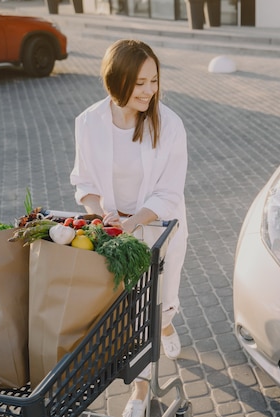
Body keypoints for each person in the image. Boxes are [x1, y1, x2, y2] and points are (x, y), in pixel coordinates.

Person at [70, 39, 188, 417]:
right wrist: (100, 214)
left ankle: (162, 337)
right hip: (114, 231)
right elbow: (84, 181)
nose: (150, 91)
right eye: (140, 83)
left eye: (153, 80)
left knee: (157, 306)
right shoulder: (88, 122)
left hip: (157, 226)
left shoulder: (169, 125)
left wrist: (134, 221)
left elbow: (170, 191)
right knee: (130, 312)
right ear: (116, 81)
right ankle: (141, 385)